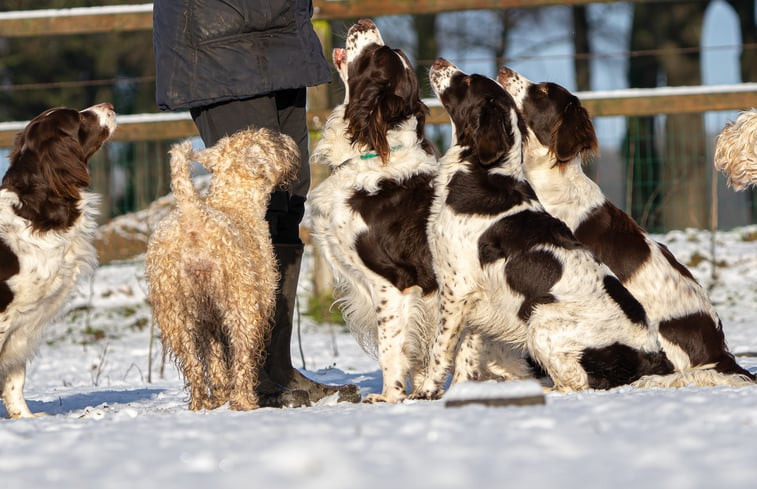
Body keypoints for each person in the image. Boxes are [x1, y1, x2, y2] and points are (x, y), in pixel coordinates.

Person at [152, 0, 360, 407]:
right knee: (243, 210)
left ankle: (274, 366)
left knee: (286, 202)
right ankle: (245, 375)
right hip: (219, 39)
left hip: (281, 34)